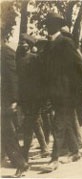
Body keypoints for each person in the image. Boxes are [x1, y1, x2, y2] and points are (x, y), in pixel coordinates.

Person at [41, 12, 82, 172]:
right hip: (54, 92)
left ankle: (54, 159)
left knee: (58, 123)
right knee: (65, 122)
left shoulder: (65, 42)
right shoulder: (48, 45)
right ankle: (75, 151)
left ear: (57, 25)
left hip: (67, 91)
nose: (47, 26)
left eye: (51, 23)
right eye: (47, 23)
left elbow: (80, 65)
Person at [15, 35, 49, 162]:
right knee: (34, 122)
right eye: (20, 43)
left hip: (35, 97)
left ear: (28, 45)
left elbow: (42, 78)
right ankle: (44, 148)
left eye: (23, 43)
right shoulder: (19, 60)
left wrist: (42, 96)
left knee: (31, 122)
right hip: (24, 97)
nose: (21, 45)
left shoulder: (35, 58)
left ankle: (26, 152)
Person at [1, 40, 30, 177]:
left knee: (7, 134)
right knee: (6, 135)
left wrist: (14, 100)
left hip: (5, 101)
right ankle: (21, 163)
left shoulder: (6, 52)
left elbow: (13, 77)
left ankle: (21, 164)